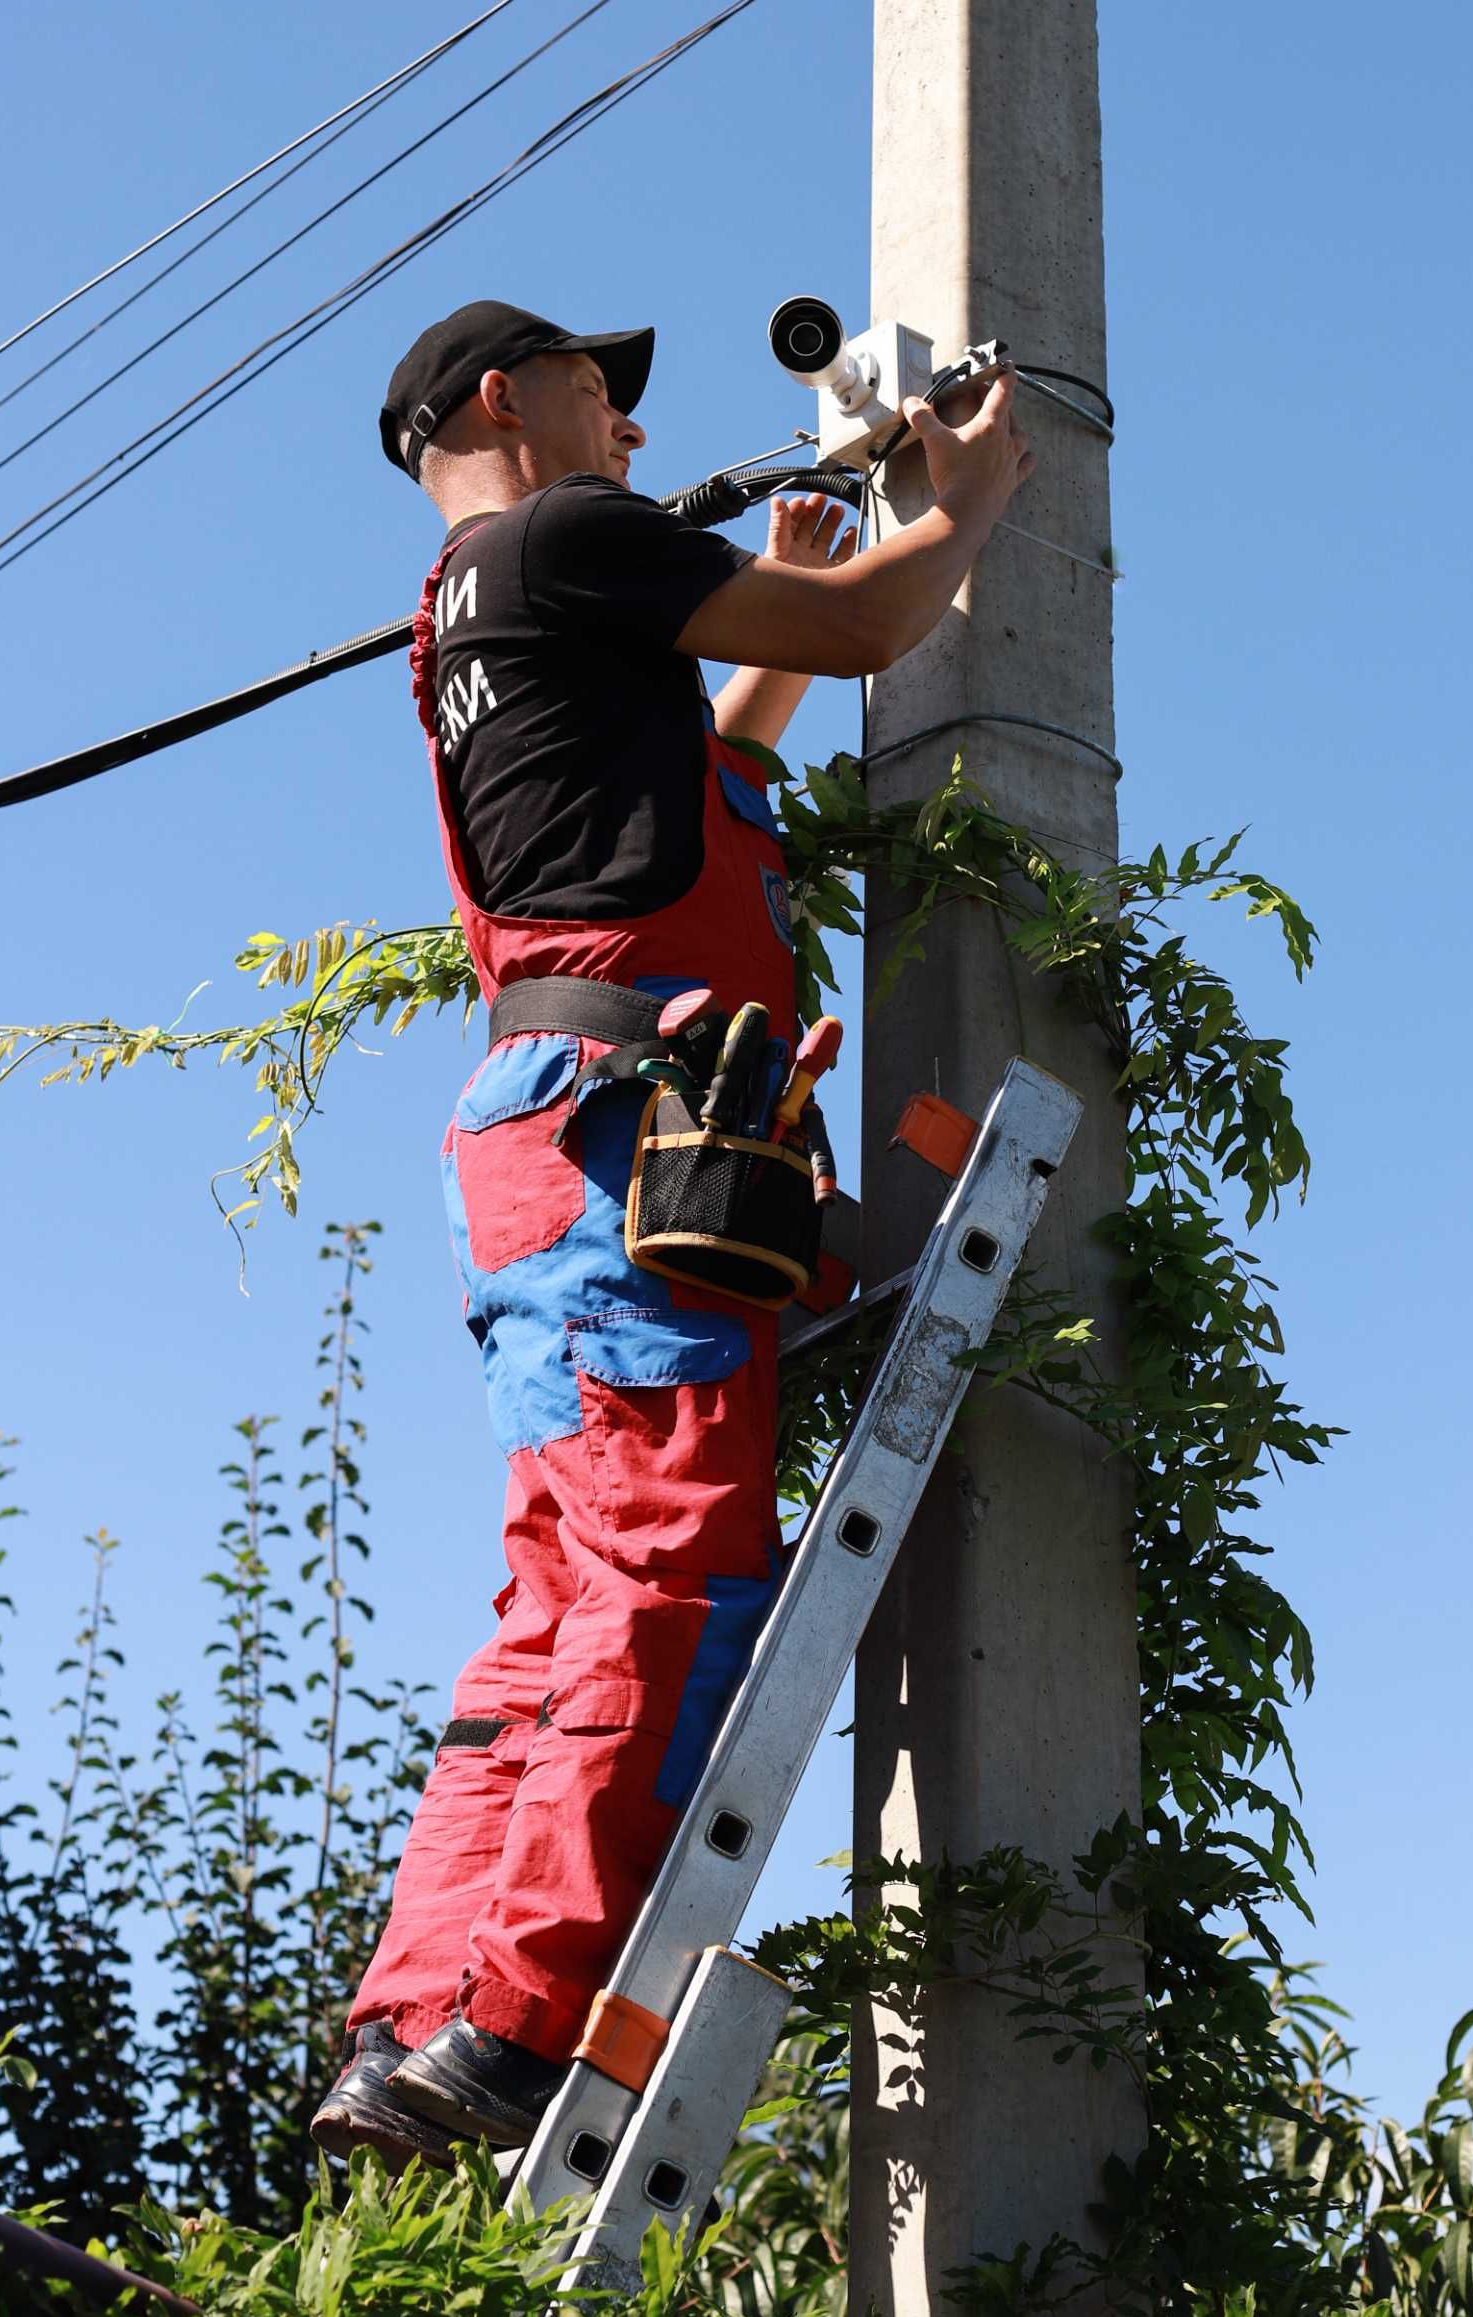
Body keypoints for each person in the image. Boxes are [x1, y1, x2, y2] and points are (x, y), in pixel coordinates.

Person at [310, 296, 1032, 2167]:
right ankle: (520, 2024)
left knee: (551, 1608)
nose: (630, 426)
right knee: (676, 1573)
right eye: (593, 391)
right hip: (638, 1130)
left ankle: (411, 2028)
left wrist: (765, 644)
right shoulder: (567, 538)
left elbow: (676, 796)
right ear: (500, 399)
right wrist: (963, 503)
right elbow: (886, 623)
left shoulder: (465, 614)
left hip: (535, 1128)